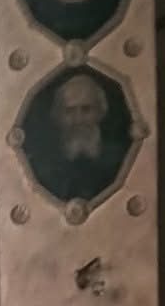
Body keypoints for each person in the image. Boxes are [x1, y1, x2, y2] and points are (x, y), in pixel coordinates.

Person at [30, 70, 121, 206]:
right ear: (58, 116)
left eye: (86, 109)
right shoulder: (42, 164)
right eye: (69, 111)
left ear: (100, 112)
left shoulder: (119, 158)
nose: (78, 120)